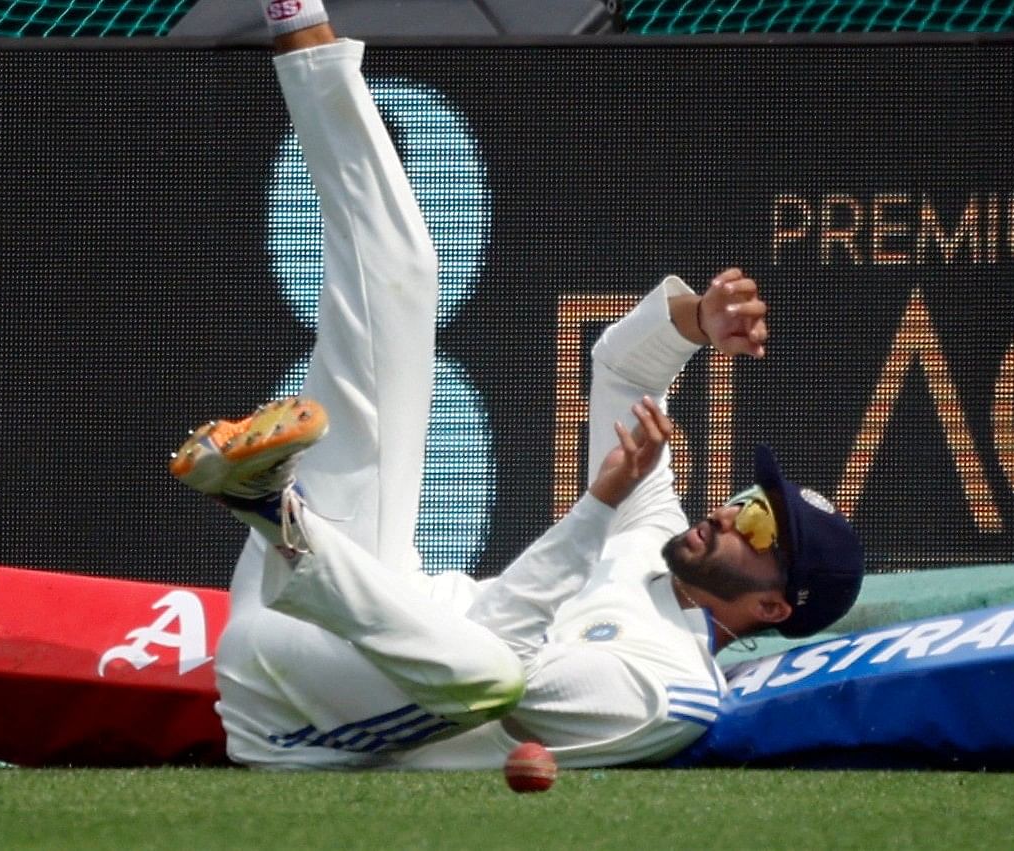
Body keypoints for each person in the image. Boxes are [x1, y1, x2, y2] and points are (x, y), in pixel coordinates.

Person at [169, 0, 864, 770]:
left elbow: (491, 654)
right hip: (311, 595)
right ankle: (296, 19)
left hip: (304, 712)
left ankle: (276, 511)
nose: (733, 515)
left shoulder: (663, 689)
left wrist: (598, 505)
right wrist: (695, 319)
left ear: (771, 607)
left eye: (761, 532)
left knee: (489, 672)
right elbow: (624, 367)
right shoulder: (648, 539)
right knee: (401, 278)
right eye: (751, 501)